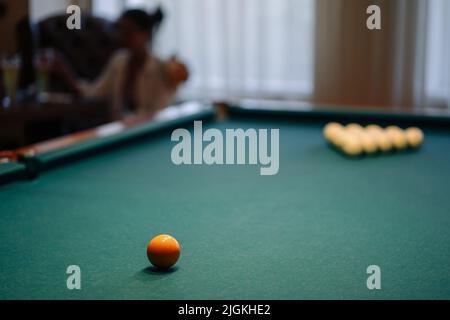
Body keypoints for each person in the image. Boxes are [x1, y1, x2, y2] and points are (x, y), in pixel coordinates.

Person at [53, 8, 189, 120]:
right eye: (120, 31)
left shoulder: (162, 69)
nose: (122, 37)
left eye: (129, 32)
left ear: (145, 34)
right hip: (118, 135)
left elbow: (160, 114)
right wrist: (66, 72)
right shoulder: (118, 61)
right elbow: (94, 93)